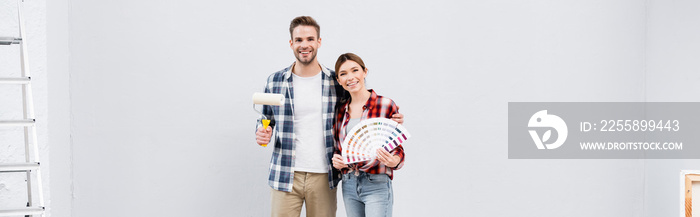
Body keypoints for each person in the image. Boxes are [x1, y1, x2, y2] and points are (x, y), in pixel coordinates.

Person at [255, 17, 403, 217]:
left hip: (324, 176)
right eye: (299, 40)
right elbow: (266, 118)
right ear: (291, 43)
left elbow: (359, 107)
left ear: (319, 42)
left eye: (310, 39)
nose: (304, 45)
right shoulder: (275, 81)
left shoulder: (335, 81)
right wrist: (262, 132)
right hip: (284, 173)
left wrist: (390, 119)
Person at [331, 53, 405, 217]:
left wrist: (394, 161)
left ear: (364, 72)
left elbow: (397, 147)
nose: (350, 77)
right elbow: (339, 149)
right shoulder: (339, 111)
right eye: (343, 74)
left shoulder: (385, 105)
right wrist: (337, 161)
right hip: (349, 184)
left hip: (377, 183)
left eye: (355, 70)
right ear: (338, 80)